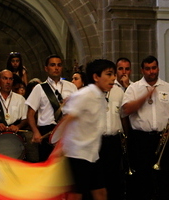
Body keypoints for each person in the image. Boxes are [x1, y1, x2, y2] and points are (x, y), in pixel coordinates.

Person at [51, 59, 117, 200]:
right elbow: (68, 119)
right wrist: (59, 148)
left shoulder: (100, 95)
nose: (113, 78)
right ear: (96, 77)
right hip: (77, 154)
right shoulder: (85, 94)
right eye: (109, 74)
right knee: (76, 195)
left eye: (113, 74)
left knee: (100, 193)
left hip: (92, 154)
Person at [122, 55, 169, 200]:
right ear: (142, 70)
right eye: (147, 69)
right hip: (141, 140)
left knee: (164, 179)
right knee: (142, 179)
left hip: (163, 139)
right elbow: (125, 110)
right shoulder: (134, 88)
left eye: (154, 68)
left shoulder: (166, 87)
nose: (151, 71)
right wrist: (144, 97)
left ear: (158, 68)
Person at [25, 54, 77, 162]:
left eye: (59, 65)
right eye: (53, 65)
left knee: (66, 166)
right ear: (46, 68)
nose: (56, 68)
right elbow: (30, 114)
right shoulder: (39, 88)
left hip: (67, 130)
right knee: (47, 164)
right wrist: (35, 132)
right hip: (46, 131)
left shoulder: (71, 86)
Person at [0, 70, 28, 159]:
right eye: (5, 79)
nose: (8, 82)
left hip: (16, 137)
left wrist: (18, 126)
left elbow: (25, 119)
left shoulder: (20, 99)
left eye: (10, 79)